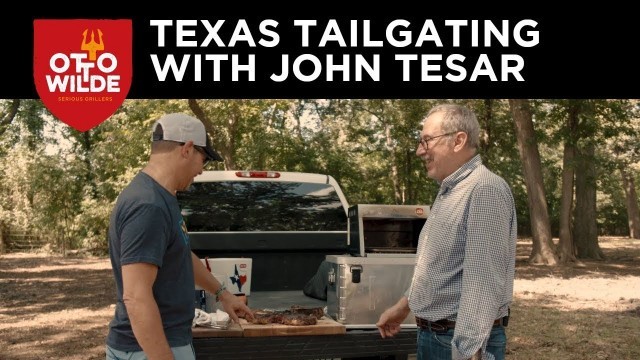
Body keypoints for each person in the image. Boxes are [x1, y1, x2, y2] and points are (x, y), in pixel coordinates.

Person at [105, 113, 253, 360]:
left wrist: (223, 295)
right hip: (148, 349)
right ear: (187, 149)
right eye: (203, 160)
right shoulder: (148, 205)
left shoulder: (162, 197)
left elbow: (181, 253)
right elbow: (136, 296)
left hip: (158, 344)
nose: (201, 171)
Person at [376, 104, 517, 360]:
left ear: (458, 140)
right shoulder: (451, 190)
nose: (420, 151)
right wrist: (402, 307)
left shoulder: (484, 189)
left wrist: (467, 352)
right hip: (435, 338)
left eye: (427, 141)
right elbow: (440, 271)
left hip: (457, 344)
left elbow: (482, 282)